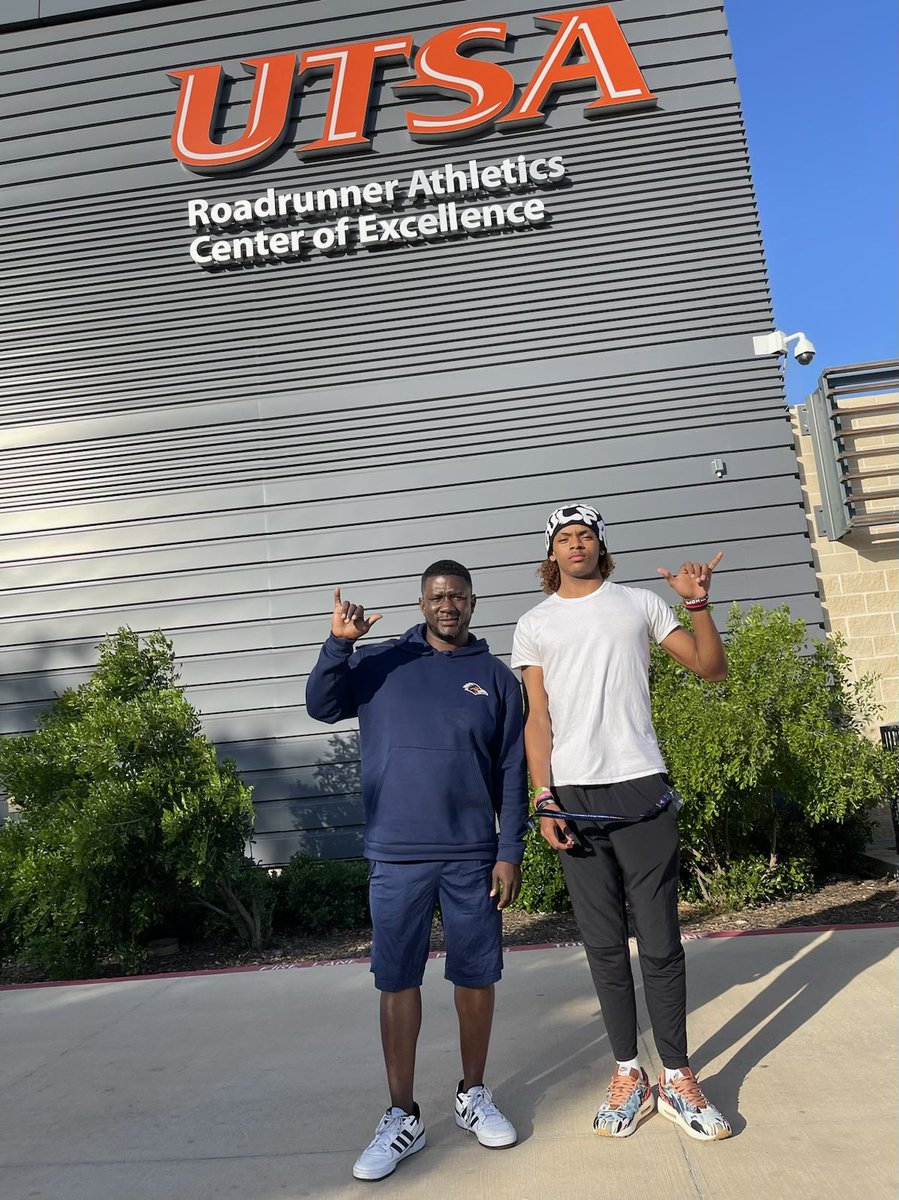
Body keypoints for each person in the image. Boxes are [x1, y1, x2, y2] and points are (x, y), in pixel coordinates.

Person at [511, 503, 733, 1142]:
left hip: (640, 786)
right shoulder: (535, 624)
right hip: (573, 796)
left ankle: (679, 1078)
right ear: (550, 553)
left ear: (599, 546)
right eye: (564, 537)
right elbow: (538, 719)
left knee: (661, 942)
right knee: (605, 947)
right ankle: (628, 1071)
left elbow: (710, 668)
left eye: (585, 535)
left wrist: (696, 605)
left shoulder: (639, 604)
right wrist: (542, 796)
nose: (575, 544)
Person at [306, 560, 527, 1181]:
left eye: (458, 596)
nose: (447, 605)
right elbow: (321, 704)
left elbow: (513, 773)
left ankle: (473, 1095)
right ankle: (402, 1115)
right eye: (437, 597)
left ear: (473, 603)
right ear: (423, 602)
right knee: (397, 980)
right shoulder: (380, 663)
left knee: (475, 977)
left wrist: (508, 850)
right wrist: (338, 645)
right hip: (396, 856)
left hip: (470, 858)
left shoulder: (496, 679)